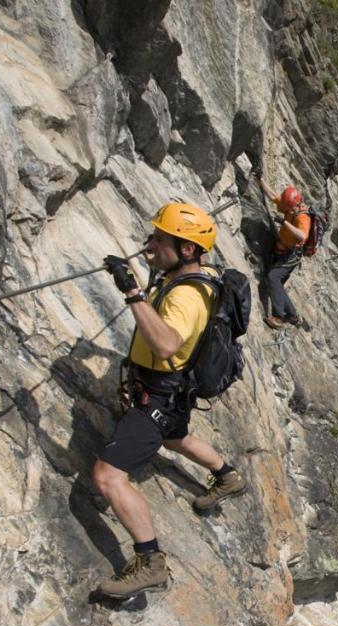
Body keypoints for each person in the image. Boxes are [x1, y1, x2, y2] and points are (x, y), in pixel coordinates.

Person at [90, 202, 248, 600]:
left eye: (161, 239)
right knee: (175, 437)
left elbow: (164, 344)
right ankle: (227, 475)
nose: (151, 245)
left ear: (188, 250)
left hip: (158, 396)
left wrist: (132, 293)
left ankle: (150, 562)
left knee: (109, 477)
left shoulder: (187, 298)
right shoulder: (197, 279)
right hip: (172, 393)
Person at [257, 177, 311, 329]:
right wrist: (260, 180)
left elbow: (302, 236)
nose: (286, 210)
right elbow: (274, 196)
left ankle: (278, 317)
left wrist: (284, 223)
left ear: (295, 205)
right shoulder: (290, 206)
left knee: (273, 277)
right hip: (284, 249)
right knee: (277, 283)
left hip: (293, 253)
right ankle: (292, 315)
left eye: (288, 209)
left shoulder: (302, 216)